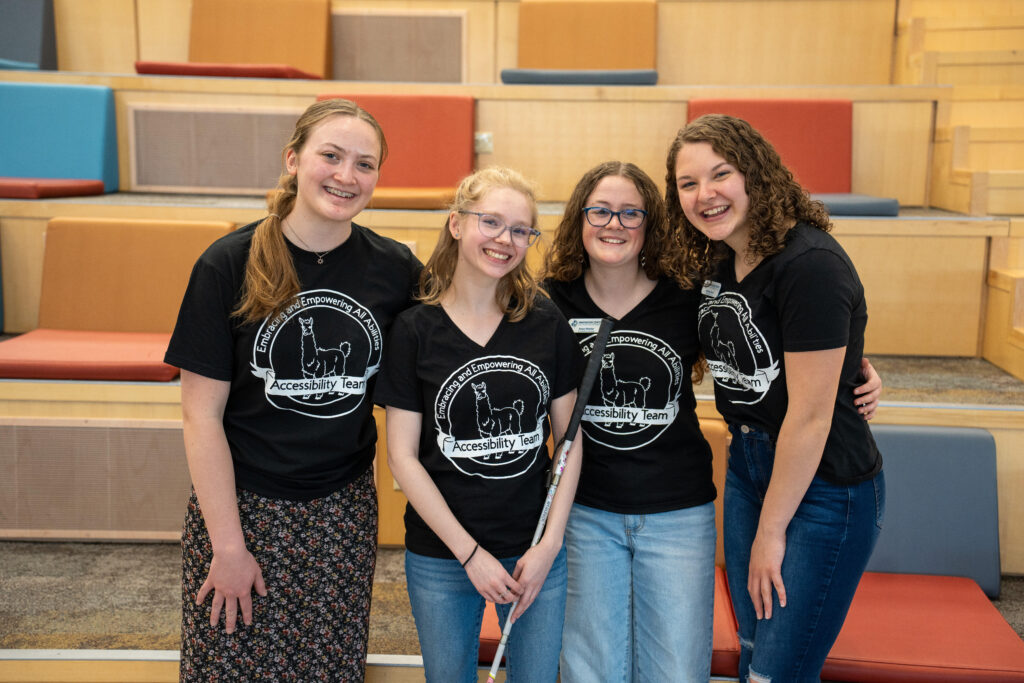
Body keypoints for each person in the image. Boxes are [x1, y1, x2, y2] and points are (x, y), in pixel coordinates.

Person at [544, 161, 883, 682]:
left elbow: (767, 343)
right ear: (578, 219)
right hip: (587, 511)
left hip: (677, 512)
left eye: (631, 213)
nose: (615, 223)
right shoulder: (549, 300)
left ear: (651, 223)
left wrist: (855, 370)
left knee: (678, 669)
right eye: (601, 211)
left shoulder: (688, 292)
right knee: (592, 668)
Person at [165, 98, 421, 682]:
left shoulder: (395, 268)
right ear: (293, 160)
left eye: (365, 164)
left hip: (342, 511)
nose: (346, 175)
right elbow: (199, 417)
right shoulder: (226, 264)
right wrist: (227, 547)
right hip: (243, 510)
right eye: (330, 156)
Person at [666, 114, 886, 683]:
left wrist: (771, 532)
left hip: (822, 486)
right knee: (753, 650)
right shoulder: (719, 261)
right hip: (749, 468)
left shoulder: (808, 263)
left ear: (755, 174)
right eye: (687, 184)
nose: (704, 194)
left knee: (777, 672)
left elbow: (811, 419)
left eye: (720, 174)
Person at [374, 166, 584, 683]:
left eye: (520, 230)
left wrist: (550, 547)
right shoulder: (413, 329)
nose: (505, 240)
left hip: (532, 553)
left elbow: (570, 443)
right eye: (491, 222)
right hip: (443, 557)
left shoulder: (544, 320)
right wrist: (470, 555)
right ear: (456, 224)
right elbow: (401, 456)